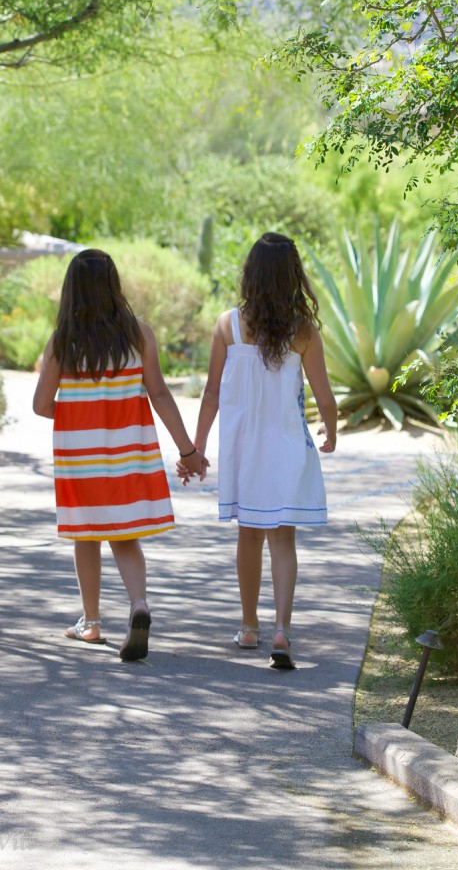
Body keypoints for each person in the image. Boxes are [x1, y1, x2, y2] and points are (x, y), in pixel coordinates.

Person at [33, 248, 206, 661]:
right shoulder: (139, 334)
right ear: (114, 287)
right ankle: (138, 605)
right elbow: (160, 393)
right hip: (129, 451)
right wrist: (189, 450)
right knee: (124, 534)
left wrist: (79, 413)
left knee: (86, 535)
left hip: (80, 456)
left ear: (71, 291)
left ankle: (91, 622)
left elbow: (41, 404)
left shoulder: (62, 341)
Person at [182, 232, 337, 669]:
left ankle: (249, 626)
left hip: (243, 449)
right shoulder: (304, 331)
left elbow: (211, 394)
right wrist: (331, 431)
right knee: (282, 538)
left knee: (248, 534)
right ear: (294, 277)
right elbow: (325, 396)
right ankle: (282, 630)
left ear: (250, 274)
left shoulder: (228, 324)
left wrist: (196, 447)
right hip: (286, 447)